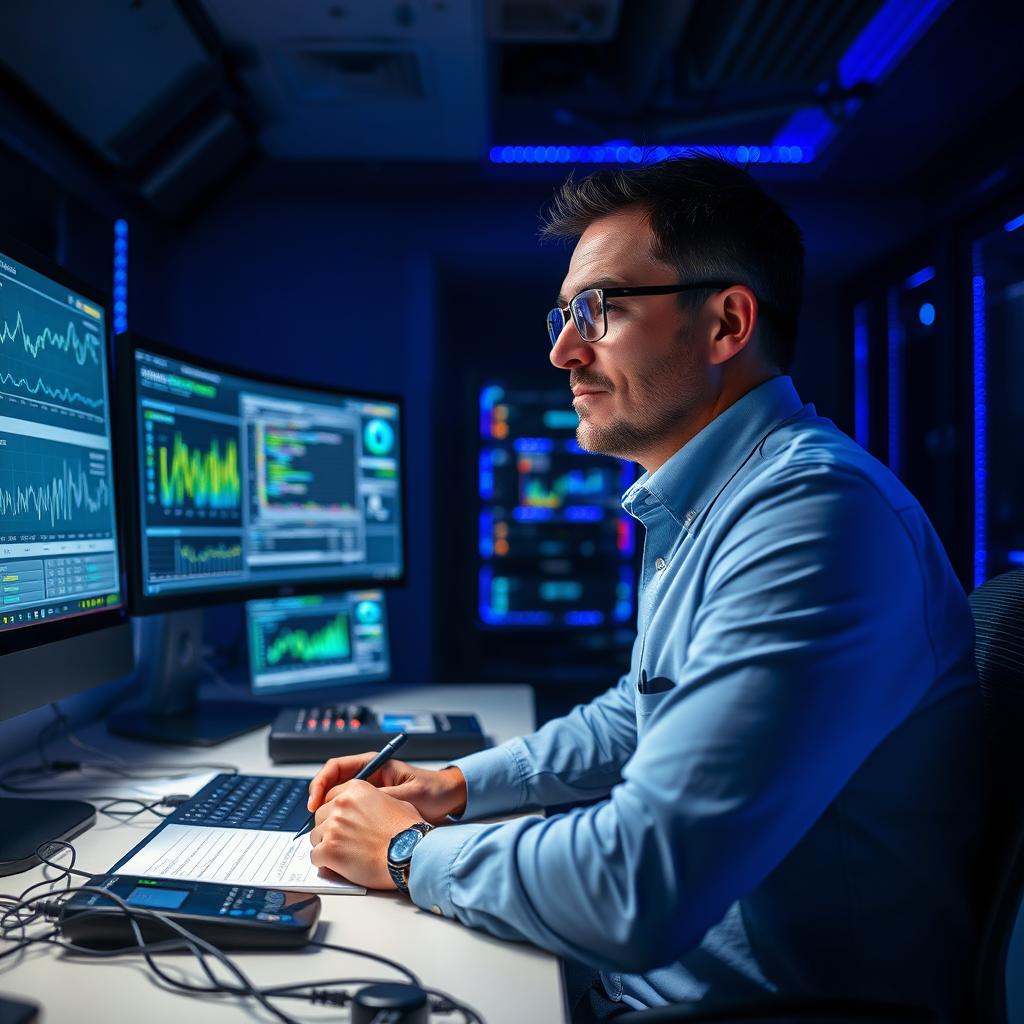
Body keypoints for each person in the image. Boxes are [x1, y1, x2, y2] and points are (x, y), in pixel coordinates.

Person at [304, 154, 987, 1021]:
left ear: (726, 322)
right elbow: (640, 709)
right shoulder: (720, 494)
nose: (562, 350)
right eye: (563, 315)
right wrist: (454, 787)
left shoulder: (814, 515)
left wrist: (407, 856)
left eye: (601, 308)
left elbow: (641, 886)